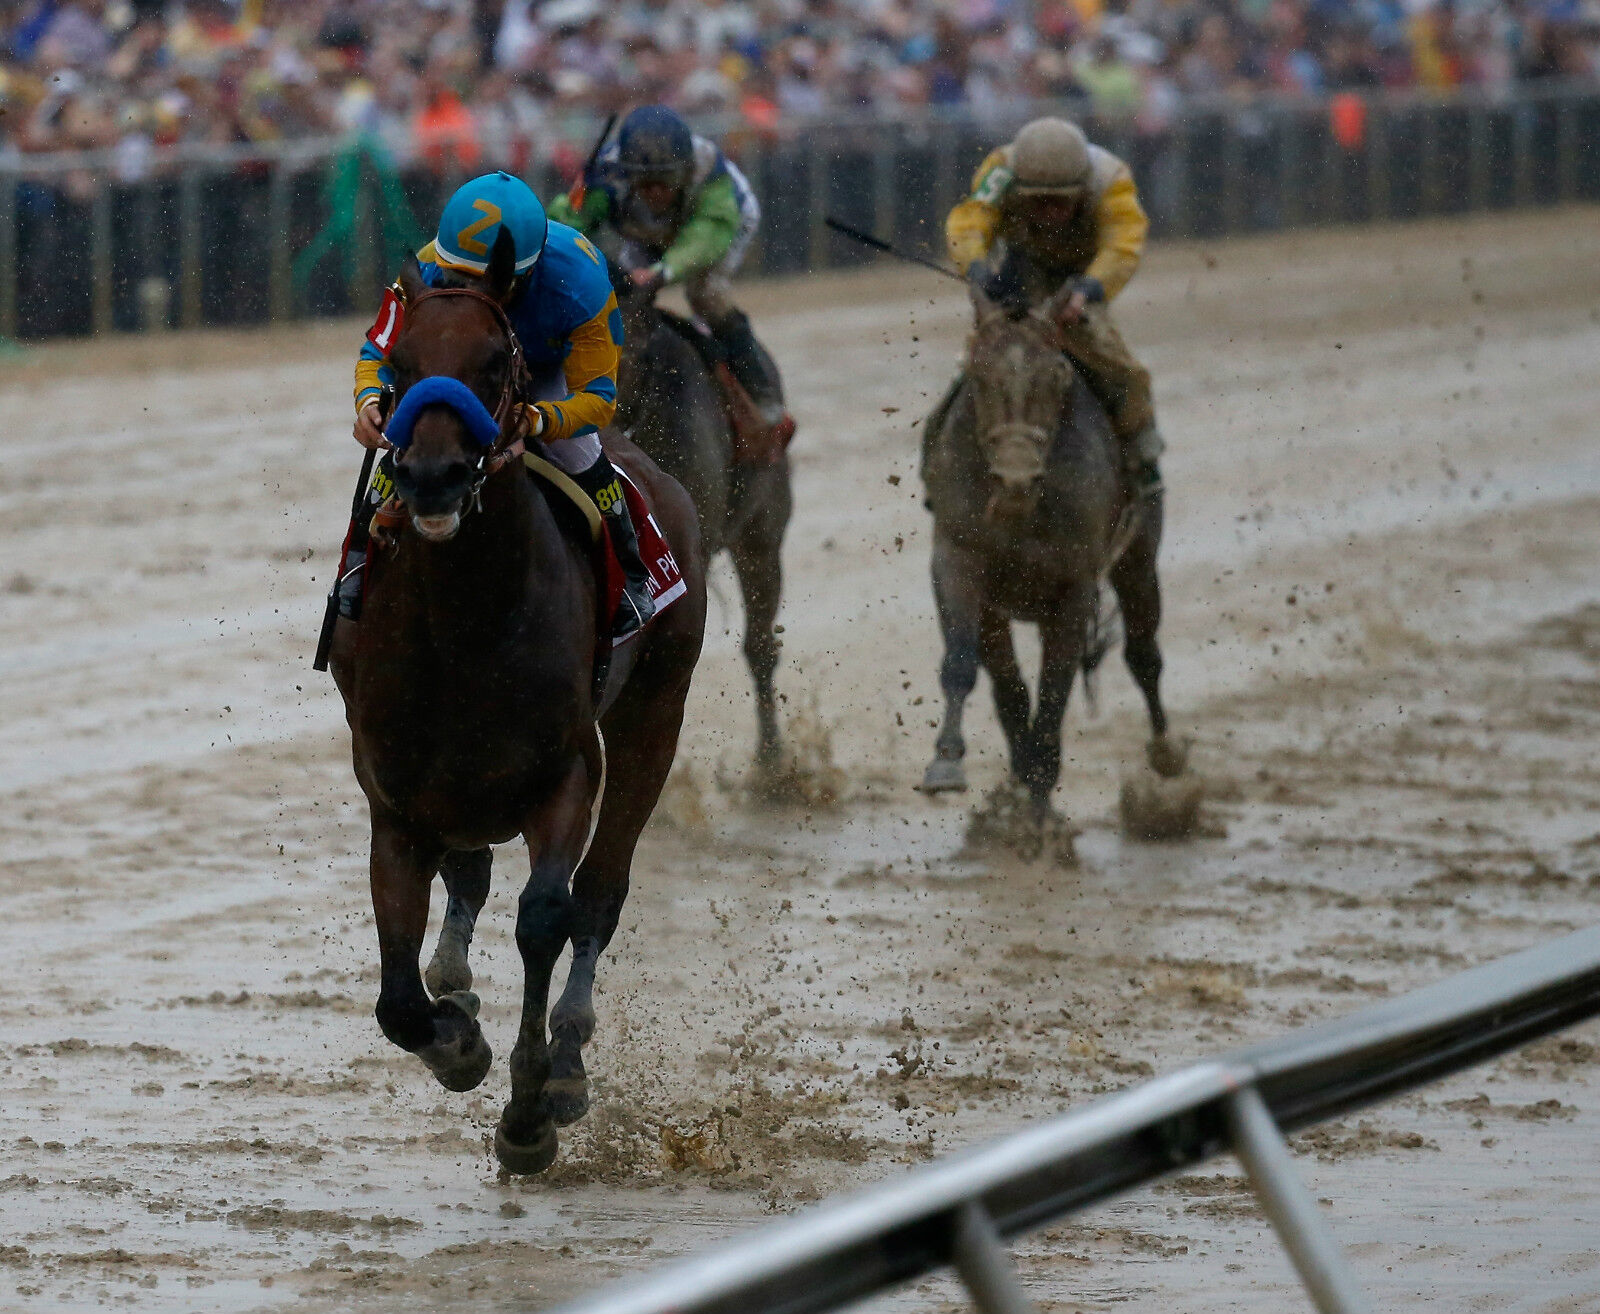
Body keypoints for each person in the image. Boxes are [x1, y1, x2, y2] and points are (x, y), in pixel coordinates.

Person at [352, 170, 655, 638]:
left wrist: (535, 420)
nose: (471, 292)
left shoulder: (581, 280)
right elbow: (377, 353)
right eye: (459, 279)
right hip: (464, 367)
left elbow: (597, 401)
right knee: (401, 452)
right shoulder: (429, 266)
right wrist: (370, 401)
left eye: (488, 282)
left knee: (582, 453)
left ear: (525, 272)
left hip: (546, 364)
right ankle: (354, 565)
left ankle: (634, 573)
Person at [946, 116, 1165, 502]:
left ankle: (1142, 459)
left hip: (1079, 282)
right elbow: (970, 221)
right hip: (1017, 273)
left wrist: (1088, 289)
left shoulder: (1111, 180)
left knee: (1123, 370)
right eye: (1037, 201)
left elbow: (1123, 245)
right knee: (978, 364)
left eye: (1060, 201)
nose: (1048, 212)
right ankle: (943, 457)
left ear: (1082, 189)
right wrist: (978, 269)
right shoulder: (1000, 170)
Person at [548, 104, 793, 443]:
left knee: (705, 293)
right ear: (627, 173)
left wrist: (664, 270)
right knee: (623, 298)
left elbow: (707, 236)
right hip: (644, 229)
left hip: (719, 222)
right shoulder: (605, 173)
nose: (656, 192)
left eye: (665, 182)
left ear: (685, 170)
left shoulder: (710, 173)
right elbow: (571, 220)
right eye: (645, 183)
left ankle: (757, 386)